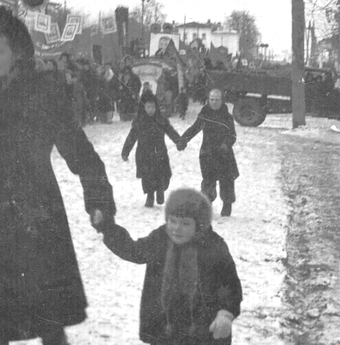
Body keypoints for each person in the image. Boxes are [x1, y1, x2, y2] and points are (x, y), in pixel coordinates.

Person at [0, 7, 116, 345]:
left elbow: (79, 151)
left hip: (36, 211)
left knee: (47, 314)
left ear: (18, 54)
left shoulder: (44, 92)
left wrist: (99, 199)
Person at [94, 188, 242, 344]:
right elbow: (134, 251)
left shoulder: (214, 247)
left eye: (185, 223)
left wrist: (225, 314)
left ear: (199, 225)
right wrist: (107, 227)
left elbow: (230, 284)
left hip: (203, 329)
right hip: (164, 327)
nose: (177, 228)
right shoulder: (161, 238)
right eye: (172, 221)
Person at [177, 88, 239, 217]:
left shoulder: (227, 117)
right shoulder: (205, 114)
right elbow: (195, 128)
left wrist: (225, 145)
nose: (214, 102)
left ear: (222, 101)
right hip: (208, 152)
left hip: (224, 154)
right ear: (208, 100)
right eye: (212, 100)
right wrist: (184, 139)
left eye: (217, 100)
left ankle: (227, 205)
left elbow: (232, 135)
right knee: (208, 181)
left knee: (226, 180)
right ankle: (206, 205)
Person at [122, 89, 183, 207]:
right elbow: (131, 137)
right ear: (143, 107)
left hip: (159, 152)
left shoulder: (161, 120)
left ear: (156, 107)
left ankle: (160, 190)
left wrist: (179, 141)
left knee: (162, 174)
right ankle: (150, 196)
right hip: (144, 154)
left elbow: (171, 131)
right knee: (147, 177)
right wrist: (125, 151)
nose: (150, 110)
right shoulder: (139, 122)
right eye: (148, 107)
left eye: (152, 107)